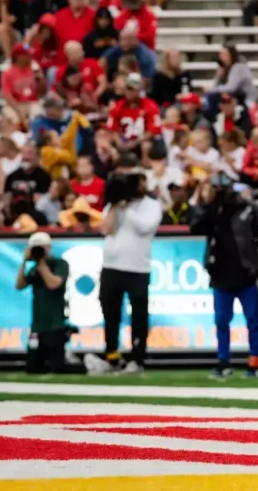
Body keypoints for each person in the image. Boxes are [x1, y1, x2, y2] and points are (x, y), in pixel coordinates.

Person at [86, 157, 162, 374]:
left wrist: (127, 209)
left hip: (137, 268)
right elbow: (106, 229)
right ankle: (111, 355)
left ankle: (137, 357)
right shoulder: (114, 203)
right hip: (111, 266)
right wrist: (115, 204)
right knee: (110, 312)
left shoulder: (152, 205)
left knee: (138, 314)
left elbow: (145, 228)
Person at [190, 173, 258, 379]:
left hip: (245, 272)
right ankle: (223, 361)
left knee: (253, 319)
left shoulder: (244, 208)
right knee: (222, 321)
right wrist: (205, 203)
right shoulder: (213, 212)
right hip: (221, 274)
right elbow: (195, 227)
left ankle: (255, 361)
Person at [14, 231, 82, 374]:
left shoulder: (60, 264)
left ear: (49, 248)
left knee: (57, 366)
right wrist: (24, 262)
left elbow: (53, 284)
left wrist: (42, 264)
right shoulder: (33, 269)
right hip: (38, 325)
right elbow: (19, 285)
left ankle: (81, 366)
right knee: (32, 368)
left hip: (55, 324)